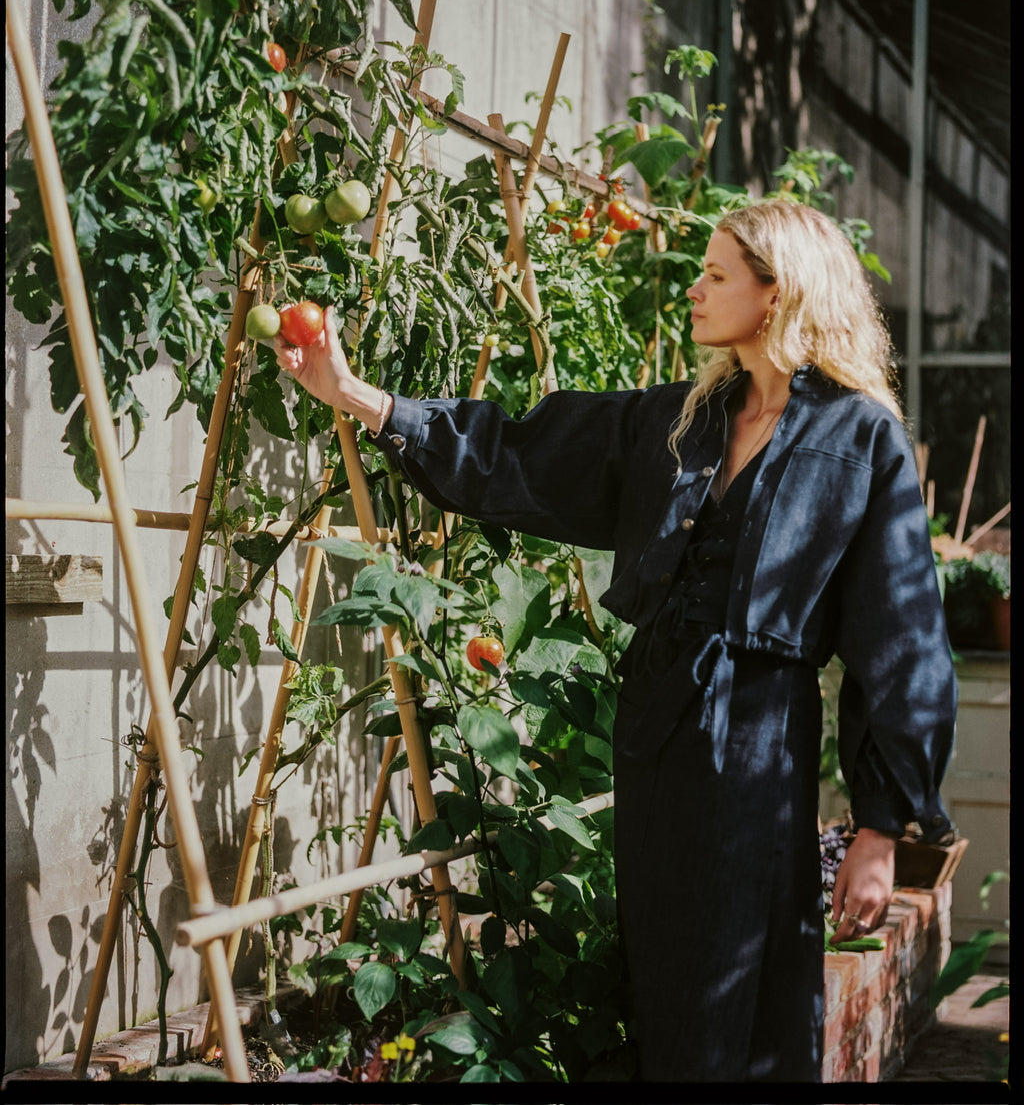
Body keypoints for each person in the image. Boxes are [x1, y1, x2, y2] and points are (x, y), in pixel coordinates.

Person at [273, 198, 957, 1083]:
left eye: (717, 274)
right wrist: (356, 395)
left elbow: (899, 636)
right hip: (656, 734)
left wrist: (878, 827)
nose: (696, 289)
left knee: (747, 990)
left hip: (757, 744)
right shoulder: (683, 419)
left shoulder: (859, 439)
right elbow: (523, 454)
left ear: (778, 289)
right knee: (671, 984)